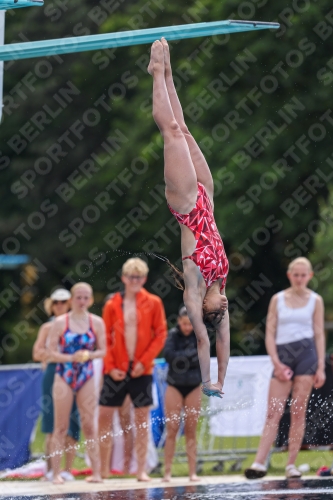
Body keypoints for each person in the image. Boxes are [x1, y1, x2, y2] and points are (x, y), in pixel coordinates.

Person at [148, 38, 229, 398]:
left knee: (170, 132)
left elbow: (204, 339)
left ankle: (155, 73)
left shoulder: (196, 292)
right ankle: (167, 72)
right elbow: (224, 340)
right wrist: (222, 380)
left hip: (186, 205)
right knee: (185, 129)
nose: (223, 306)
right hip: (207, 199)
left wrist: (207, 380)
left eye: (217, 311)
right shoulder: (221, 281)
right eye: (221, 310)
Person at [244, 257, 326, 479]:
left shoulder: (315, 300)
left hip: (306, 354)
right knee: (274, 411)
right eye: (296, 275)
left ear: (309, 276)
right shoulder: (277, 299)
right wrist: (277, 363)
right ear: (290, 276)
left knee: (299, 412)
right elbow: (269, 333)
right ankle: (259, 462)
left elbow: (319, 334)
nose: (299, 279)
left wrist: (320, 367)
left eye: (303, 275)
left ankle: (291, 464)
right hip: (282, 354)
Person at [98, 257, 167, 482]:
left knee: (141, 421)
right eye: (131, 277)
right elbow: (105, 338)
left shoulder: (154, 302)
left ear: (144, 279)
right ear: (124, 278)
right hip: (116, 368)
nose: (134, 280)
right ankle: (103, 470)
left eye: (138, 277)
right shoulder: (112, 305)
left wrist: (144, 361)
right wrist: (110, 366)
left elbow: (160, 334)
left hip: (141, 369)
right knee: (104, 418)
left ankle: (140, 470)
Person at [47, 282, 106, 484]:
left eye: (85, 297)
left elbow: (103, 350)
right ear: (72, 300)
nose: (82, 301)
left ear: (90, 300)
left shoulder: (96, 322)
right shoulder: (60, 322)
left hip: (86, 374)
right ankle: (56, 473)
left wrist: (88, 354)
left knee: (89, 425)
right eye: (78, 297)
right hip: (64, 373)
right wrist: (71, 358)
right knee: (60, 427)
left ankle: (96, 473)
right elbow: (51, 352)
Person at [32, 288, 79, 482]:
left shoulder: (78, 324)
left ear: (69, 303)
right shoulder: (47, 327)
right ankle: (51, 470)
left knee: (73, 423)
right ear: (52, 305)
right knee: (52, 425)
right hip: (54, 374)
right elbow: (37, 353)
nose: (59, 305)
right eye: (56, 302)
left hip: (74, 373)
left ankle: (67, 470)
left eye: (63, 302)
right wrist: (56, 355)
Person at [163, 306, 202, 482]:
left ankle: (192, 472)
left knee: (191, 429)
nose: (187, 327)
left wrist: (182, 358)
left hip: (194, 385)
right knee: (172, 428)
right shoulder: (172, 335)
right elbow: (169, 356)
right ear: (179, 322)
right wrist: (189, 356)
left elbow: (202, 356)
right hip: (175, 385)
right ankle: (167, 472)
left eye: (190, 324)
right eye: (184, 324)